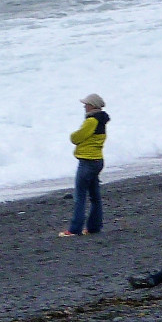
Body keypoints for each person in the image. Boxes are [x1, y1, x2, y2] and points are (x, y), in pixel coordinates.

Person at [58, 93, 109, 237]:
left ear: (92, 105)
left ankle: (75, 229)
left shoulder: (91, 121)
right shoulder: (101, 120)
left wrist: (73, 136)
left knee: (80, 197)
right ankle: (94, 227)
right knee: (95, 196)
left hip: (87, 161)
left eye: (86, 104)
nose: (84, 106)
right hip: (97, 160)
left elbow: (76, 137)